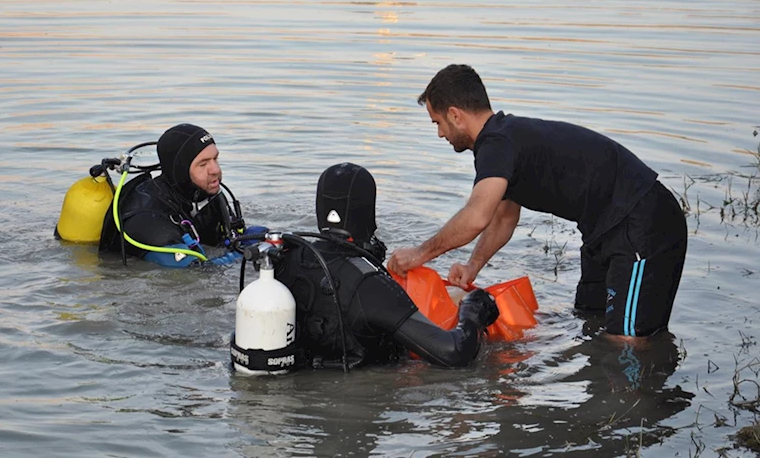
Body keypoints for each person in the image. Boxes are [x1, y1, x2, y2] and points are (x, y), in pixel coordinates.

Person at [387, 64, 687, 338]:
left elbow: (477, 216)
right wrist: (473, 266)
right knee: (590, 319)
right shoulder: (504, 140)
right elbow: (503, 217)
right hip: (605, 231)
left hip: (640, 224)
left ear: (455, 114)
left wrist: (418, 255)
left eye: (437, 122)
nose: (440, 133)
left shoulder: (498, 143)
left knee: (626, 340)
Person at [274, 162, 501, 369]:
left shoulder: (284, 259)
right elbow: (453, 353)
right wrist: (472, 312)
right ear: (367, 211)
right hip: (360, 402)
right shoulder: (370, 284)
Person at [99, 123, 266, 267]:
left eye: (215, 159)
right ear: (181, 170)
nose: (215, 170)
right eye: (203, 164)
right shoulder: (147, 218)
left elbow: (228, 239)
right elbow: (195, 271)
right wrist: (252, 253)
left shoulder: (205, 193)